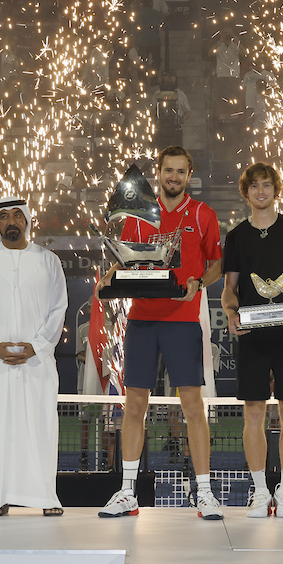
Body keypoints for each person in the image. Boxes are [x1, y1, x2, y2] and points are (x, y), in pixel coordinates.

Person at [97, 146, 224, 520]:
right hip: (141, 319)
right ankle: (127, 493)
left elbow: (217, 264)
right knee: (134, 406)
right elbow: (126, 261)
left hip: (182, 321)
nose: (173, 177)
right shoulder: (138, 216)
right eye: (168, 170)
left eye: (180, 171)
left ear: (189, 175)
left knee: (192, 408)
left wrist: (199, 282)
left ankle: (204, 492)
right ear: (159, 173)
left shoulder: (203, 215)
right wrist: (109, 278)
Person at [222, 162, 283, 518]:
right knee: (254, 412)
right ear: (245, 193)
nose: (261, 191)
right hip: (252, 336)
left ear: (276, 190)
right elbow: (229, 290)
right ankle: (261, 492)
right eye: (254, 186)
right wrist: (232, 314)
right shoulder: (236, 237)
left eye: (267, 185)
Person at [0, 196, 67, 516]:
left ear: (27, 221)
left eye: (17, 216)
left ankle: (45, 497)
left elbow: (57, 308)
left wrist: (36, 346)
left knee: (39, 431)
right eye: (4, 216)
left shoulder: (47, 260)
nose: (11, 221)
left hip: (36, 363)